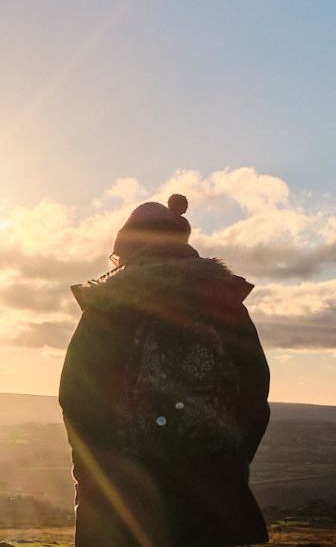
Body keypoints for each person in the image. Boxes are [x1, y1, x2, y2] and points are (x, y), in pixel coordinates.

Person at [59, 194, 271, 547]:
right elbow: (253, 399)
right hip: (210, 505)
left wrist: (99, 480)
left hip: (125, 506)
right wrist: (225, 468)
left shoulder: (110, 307)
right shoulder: (225, 306)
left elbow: (78, 400)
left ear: (127, 250)